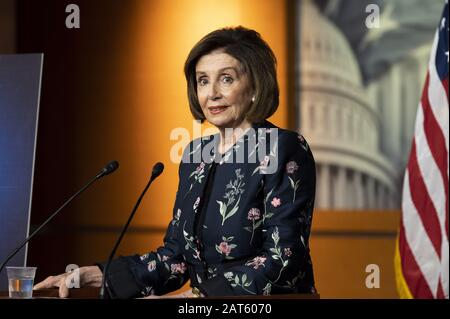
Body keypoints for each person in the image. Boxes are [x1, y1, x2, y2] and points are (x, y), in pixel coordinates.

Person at [34, 26, 317, 298]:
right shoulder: (196, 154)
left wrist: (192, 299)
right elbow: (176, 259)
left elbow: (282, 259)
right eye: (203, 80)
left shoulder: (283, 148)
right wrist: (97, 274)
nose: (212, 93)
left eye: (227, 78)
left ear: (255, 85)